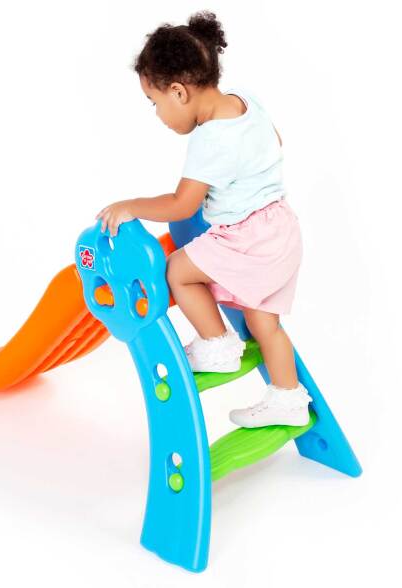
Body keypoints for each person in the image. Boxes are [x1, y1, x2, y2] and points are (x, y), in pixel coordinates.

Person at [95, 10, 312, 428]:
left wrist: (132, 205)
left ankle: (217, 345)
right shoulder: (244, 101)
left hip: (249, 237)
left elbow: (181, 204)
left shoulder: (210, 139)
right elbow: (276, 140)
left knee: (177, 271)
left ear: (178, 92)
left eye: (155, 103)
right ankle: (288, 398)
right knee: (265, 322)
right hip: (283, 230)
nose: (158, 114)